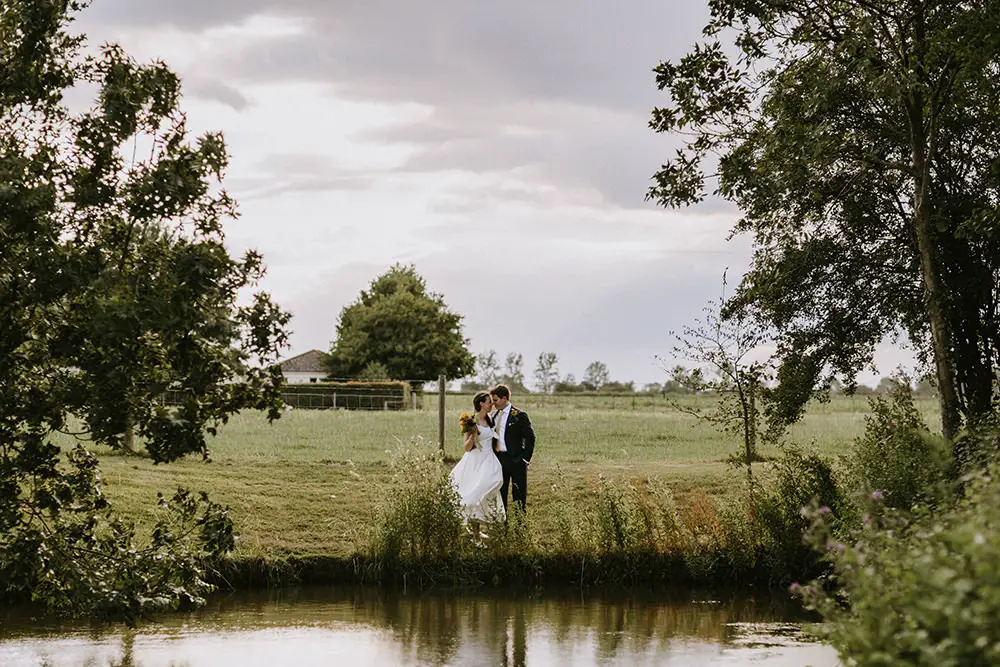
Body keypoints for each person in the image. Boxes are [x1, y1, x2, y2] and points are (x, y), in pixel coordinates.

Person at [449, 391, 505, 526]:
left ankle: (488, 520)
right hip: (475, 460)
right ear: (481, 403)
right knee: (474, 492)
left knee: (491, 485)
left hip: (489, 459)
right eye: (489, 402)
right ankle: (475, 533)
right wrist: (473, 435)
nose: (492, 404)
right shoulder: (470, 421)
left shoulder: (491, 420)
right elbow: (467, 447)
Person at [489, 384, 535, 513]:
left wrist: (525, 458)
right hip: (499, 460)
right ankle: (503, 524)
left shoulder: (519, 415)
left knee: (519, 495)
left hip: (517, 460)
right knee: (500, 493)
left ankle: (520, 527)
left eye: (496, 400)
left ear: (504, 398)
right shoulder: (494, 416)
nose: (494, 404)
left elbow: (530, 438)